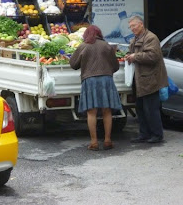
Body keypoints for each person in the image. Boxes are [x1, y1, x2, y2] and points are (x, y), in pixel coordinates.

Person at [70, 25, 121, 151]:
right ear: (99, 33)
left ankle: (94, 142)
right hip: (106, 80)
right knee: (107, 111)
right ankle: (108, 140)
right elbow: (116, 66)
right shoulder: (107, 46)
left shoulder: (83, 46)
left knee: (91, 112)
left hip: (90, 80)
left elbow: (73, 64)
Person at [125, 16, 168, 144]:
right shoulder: (135, 39)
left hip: (150, 79)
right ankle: (144, 134)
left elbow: (153, 56)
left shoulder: (151, 38)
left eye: (134, 26)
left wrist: (135, 56)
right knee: (140, 109)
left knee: (151, 109)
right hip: (139, 79)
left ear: (141, 24)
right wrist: (128, 55)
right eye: (130, 26)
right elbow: (133, 53)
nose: (132, 28)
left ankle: (157, 135)